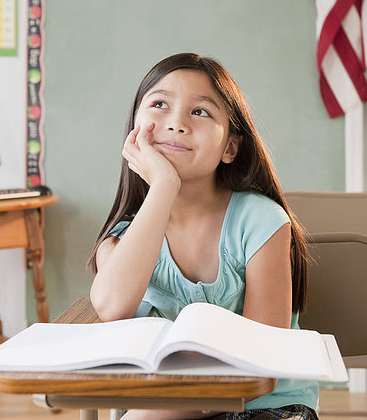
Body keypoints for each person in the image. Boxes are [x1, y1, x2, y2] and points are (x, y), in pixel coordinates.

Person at [87, 52, 319, 420]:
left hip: (265, 408)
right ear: (135, 129)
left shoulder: (261, 222)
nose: (176, 123)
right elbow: (112, 306)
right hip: (168, 405)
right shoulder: (122, 238)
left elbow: (263, 368)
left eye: (200, 112)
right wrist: (164, 185)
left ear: (230, 147)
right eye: (159, 104)